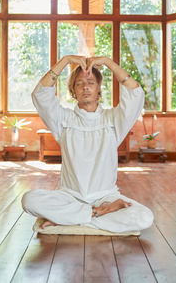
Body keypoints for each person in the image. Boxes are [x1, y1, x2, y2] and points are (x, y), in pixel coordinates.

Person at [21, 55, 154, 233]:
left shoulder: (114, 120)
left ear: (99, 88)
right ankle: (98, 214)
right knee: (29, 200)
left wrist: (108, 62)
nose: (85, 87)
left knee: (145, 217)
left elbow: (135, 93)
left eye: (91, 82)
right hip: (70, 196)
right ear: (73, 90)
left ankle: (70, 218)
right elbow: (40, 94)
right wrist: (66, 60)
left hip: (106, 196)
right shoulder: (63, 120)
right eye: (79, 83)